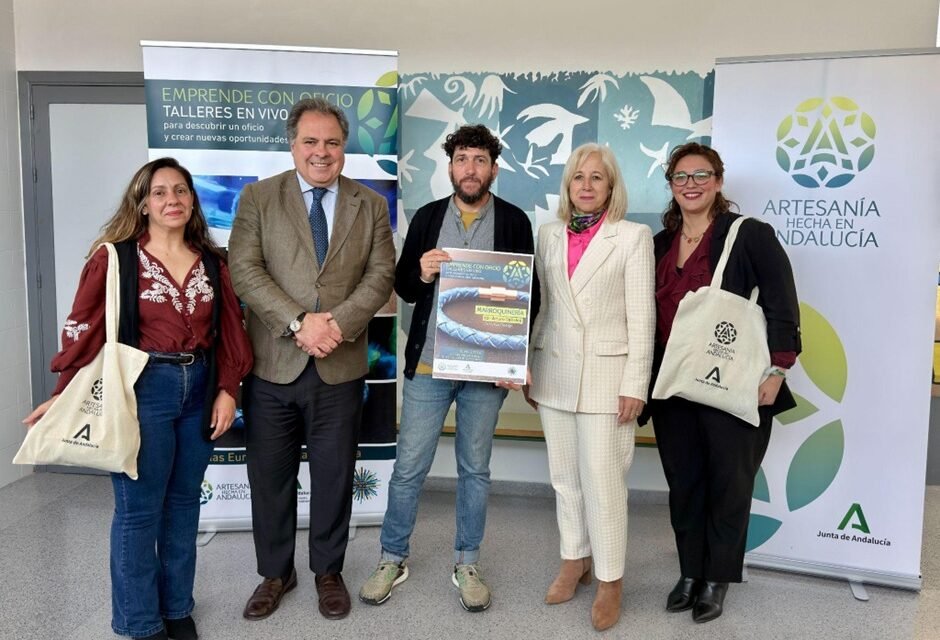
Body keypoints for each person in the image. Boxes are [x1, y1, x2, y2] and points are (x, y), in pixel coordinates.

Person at [23, 157, 253, 640]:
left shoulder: (213, 262)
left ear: (192, 200)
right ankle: (141, 622)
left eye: (181, 191)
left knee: (184, 504)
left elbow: (231, 330)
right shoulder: (114, 259)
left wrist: (228, 390)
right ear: (143, 203)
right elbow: (83, 331)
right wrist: (63, 394)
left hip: (201, 387)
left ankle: (177, 608)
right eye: (160, 192)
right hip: (141, 390)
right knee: (139, 510)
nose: (172, 200)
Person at [228, 97, 395, 622]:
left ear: (344, 147)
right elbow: (244, 269)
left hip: (339, 366)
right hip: (273, 366)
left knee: (334, 476)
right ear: (292, 144)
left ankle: (328, 571)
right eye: (311, 141)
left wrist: (336, 325)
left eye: (332, 142)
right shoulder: (258, 198)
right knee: (269, 478)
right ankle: (276, 573)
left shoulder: (370, 204)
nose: (322, 152)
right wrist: (301, 323)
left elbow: (380, 275)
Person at [358, 124, 537, 613]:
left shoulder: (515, 221)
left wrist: (514, 359)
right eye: (462, 159)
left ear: (493, 168)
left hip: (487, 369)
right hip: (430, 364)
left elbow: (530, 296)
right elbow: (404, 288)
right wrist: (420, 272)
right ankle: (392, 557)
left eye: (479, 160)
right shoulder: (428, 217)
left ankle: (467, 562)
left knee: (475, 470)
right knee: (408, 469)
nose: (470, 168)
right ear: (451, 166)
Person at [643, 142, 801, 623]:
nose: (690, 184)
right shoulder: (659, 244)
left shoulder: (748, 234)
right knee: (684, 482)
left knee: (730, 483)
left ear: (718, 181)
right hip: (672, 383)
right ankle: (690, 572)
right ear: (671, 185)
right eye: (681, 176)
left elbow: (781, 301)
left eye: (700, 175)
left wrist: (778, 369)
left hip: (735, 380)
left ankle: (717, 579)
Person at [526, 143, 654, 632]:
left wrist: (635, 384)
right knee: (564, 477)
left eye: (596, 177)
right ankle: (574, 558)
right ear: (568, 185)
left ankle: (610, 579)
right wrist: (528, 363)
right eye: (578, 177)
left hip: (608, 377)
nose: (586, 185)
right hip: (554, 370)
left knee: (603, 482)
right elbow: (544, 307)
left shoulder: (633, 237)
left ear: (611, 186)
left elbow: (642, 317)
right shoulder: (548, 234)